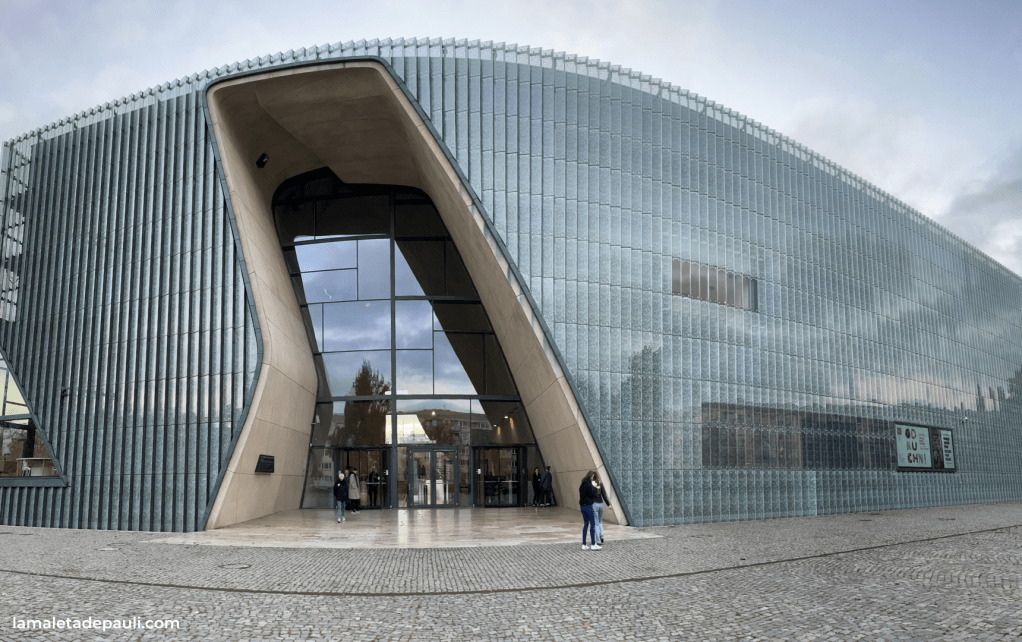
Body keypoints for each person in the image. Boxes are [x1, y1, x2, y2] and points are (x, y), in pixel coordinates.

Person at [579, 470, 601, 550]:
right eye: (592, 477)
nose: (592, 479)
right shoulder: (589, 485)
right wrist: (596, 487)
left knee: (585, 525)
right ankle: (593, 544)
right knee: (592, 524)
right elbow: (593, 494)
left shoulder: (582, 485)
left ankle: (584, 544)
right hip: (588, 506)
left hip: (582, 507)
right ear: (590, 476)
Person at [591, 473, 611, 545]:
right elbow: (604, 496)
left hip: (594, 505)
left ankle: (598, 540)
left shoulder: (590, 485)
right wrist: (608, 504)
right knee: (600, 522)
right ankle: (601, 535)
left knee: (596, 523)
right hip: (601, 505)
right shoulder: (600, 484)